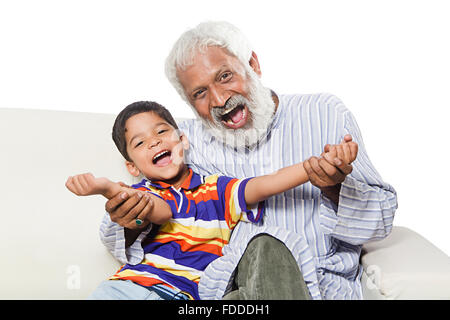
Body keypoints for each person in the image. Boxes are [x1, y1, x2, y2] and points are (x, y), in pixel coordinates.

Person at [99, 21, 398, 300]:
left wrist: (334, 188)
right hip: (229, 289)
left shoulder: (324, 112)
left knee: (269, 247)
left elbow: (381, 222)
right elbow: (144, 203)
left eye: (225, 76)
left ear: (253, 64)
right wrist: (129, 218)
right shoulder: (184, 143)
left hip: (322, 286)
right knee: (261, 249)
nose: (218, 100)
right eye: (200, 93)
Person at [66, 101, 357, 300]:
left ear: (183, 141)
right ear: (133, 167)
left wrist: (314, 166)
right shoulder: (146, 193)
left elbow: (268, 183)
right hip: (126, 289)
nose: (154, 142)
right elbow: (159, 210)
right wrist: (109, 189)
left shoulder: (218, 190)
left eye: (161, 132)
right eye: (140, 143)